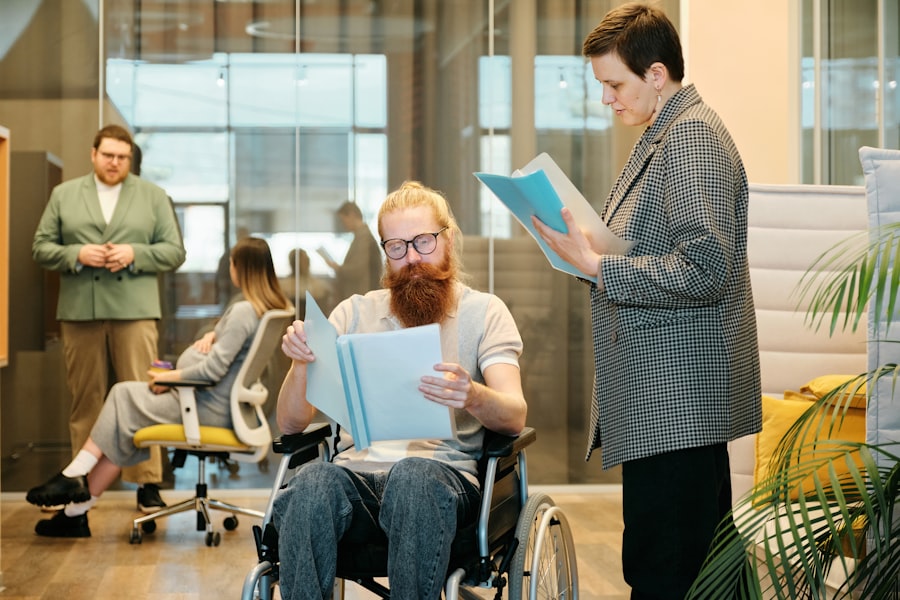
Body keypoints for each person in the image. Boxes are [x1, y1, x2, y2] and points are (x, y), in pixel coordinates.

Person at [531, 4, 761, 599]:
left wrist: (601, 265)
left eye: (614, 84)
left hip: (676, 397)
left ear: (656, 74)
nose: (607, 99)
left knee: (665, 571)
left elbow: (707, 268)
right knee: (698, 571)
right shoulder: (665, 133)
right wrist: (593, 255)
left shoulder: (689, 141)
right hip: (669, 400)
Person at [274, 181, 527, 599]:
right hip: (354, 481)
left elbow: (515, 415)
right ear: (384, 252)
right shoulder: (352, 313)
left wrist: (472, 395)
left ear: (448, 239)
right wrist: (302, 363)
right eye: (396, 246)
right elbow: (289, 423)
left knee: (413, 476)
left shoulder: (484, 313)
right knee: (310, 483)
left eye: (423, 242)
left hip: (442, 481)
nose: (411, 258)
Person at [24, 237, 292, 537]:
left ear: (240, 268)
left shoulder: (243, 312)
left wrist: (168, 379)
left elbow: (213, 371)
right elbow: (228, 348)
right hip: (213, 402)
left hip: (205, 405)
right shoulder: (267, 309)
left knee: (122, 394)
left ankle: (74, 479)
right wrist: (213, 338)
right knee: (122, 421)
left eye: (231, 262)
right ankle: (75, 510)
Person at [32, 124, 187, 514]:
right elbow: (41, 247)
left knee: (143, 398)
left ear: (130, 159)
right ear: (93, 154)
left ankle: (147, 484)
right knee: (86, 399)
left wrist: (135, 253)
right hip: (80, 312)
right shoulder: (64, 194)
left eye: (123, 157)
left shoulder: (152, 196)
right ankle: (81, 485)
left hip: (134, 311)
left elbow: (174, 251)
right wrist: (76, 255)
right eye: (108, 156)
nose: (115, 163)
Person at [321, 201, 382, 302]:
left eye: (343, 219)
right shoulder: (361, 237)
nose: (343, 224)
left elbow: (357, 270)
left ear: (352, 215)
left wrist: (338, 268)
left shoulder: (364, 238)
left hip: (361, 295)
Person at [280, 247, 333, 316]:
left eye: (306, 260)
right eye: (302, 260)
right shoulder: (284, 285)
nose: (306, 262)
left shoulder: (319, 285)